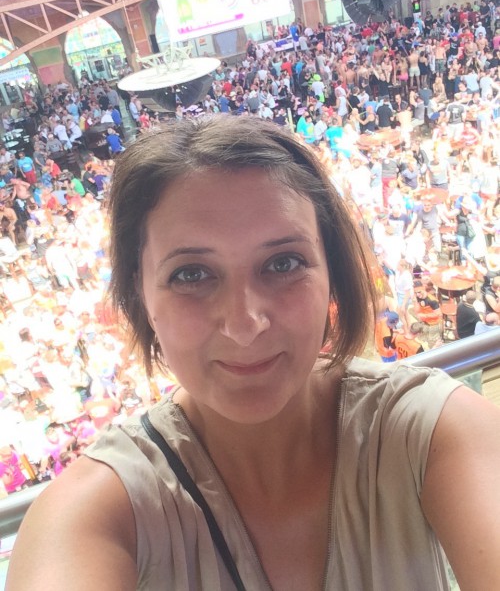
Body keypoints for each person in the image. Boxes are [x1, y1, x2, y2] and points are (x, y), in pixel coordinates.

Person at [7, 116, 500, 591]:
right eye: (191, 274)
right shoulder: (92, 515)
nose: (244, 325)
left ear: (332, 273)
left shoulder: (436, 433)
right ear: (141, 295)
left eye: (283, 263)